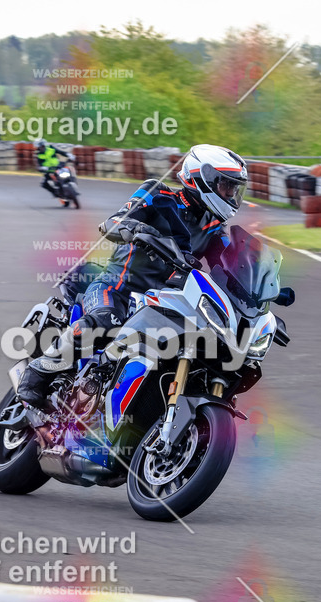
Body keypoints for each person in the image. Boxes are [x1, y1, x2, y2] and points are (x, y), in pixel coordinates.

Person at [17, 143, 249, 410]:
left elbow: (229, 268)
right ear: (202, 177)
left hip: (162, 304)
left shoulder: (214, 228)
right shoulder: (159, 194)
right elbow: (114, 221)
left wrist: (258, 290)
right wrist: (132, 226)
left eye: (234, 188)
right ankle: (38, 372)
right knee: (106, 320)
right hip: (118, 287)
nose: (231, 194)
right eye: (226, 186)